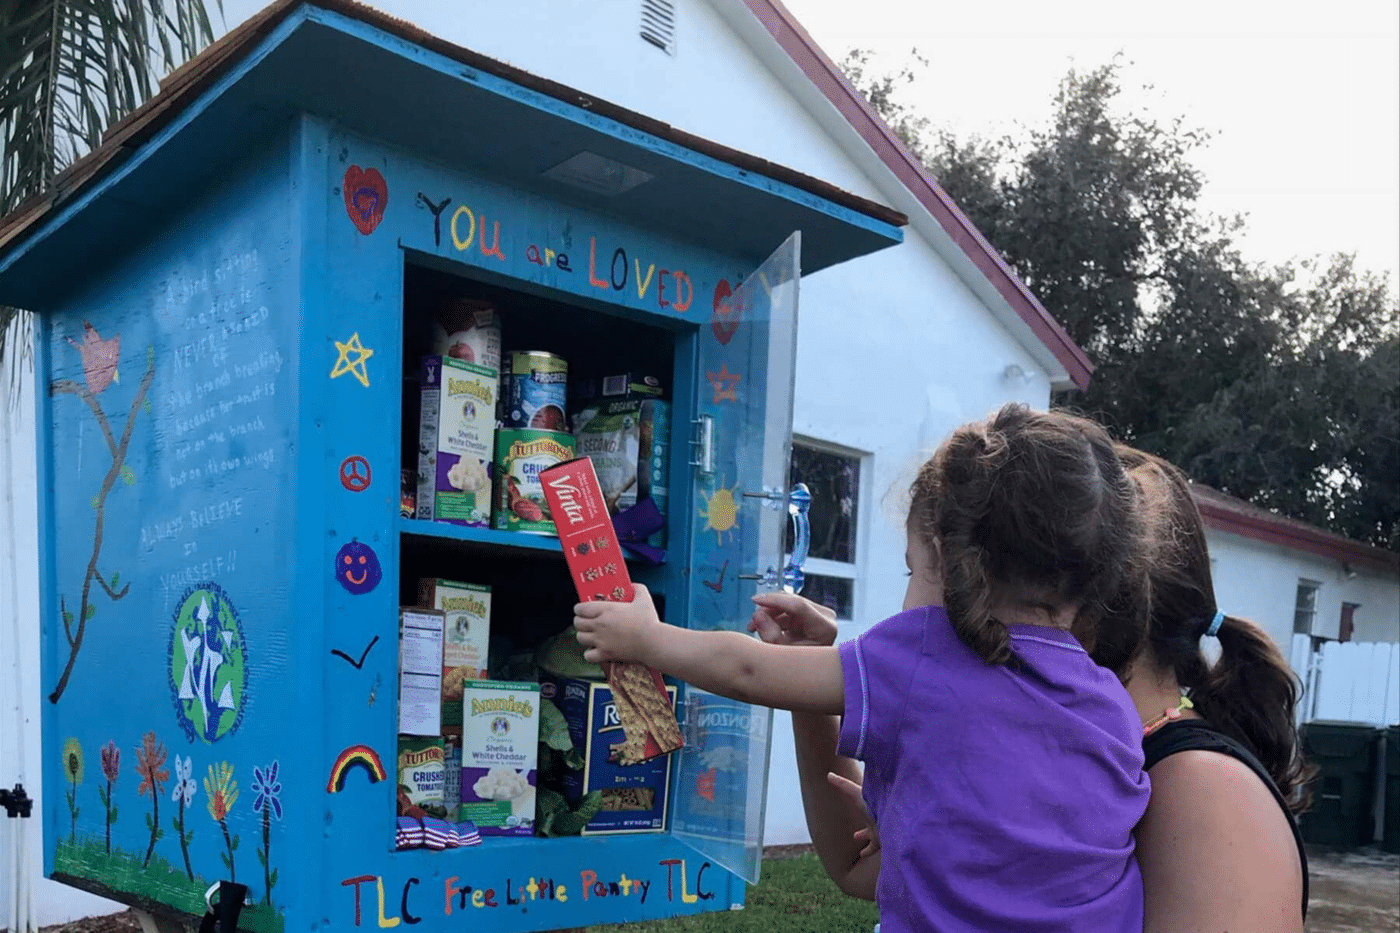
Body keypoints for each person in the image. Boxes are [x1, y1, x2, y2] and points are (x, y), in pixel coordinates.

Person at [575, 404, 1155, 933]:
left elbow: (747, 670)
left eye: (910, 571)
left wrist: (646, 638)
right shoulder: (1112, 706)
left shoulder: (924, 653)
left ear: (952, 563)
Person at [765, 444, 1310, 933]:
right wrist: (809, 690)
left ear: (1091, 592)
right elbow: (859, 871)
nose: (962, 597)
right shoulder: (1045, 741)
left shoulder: (1205, 788)